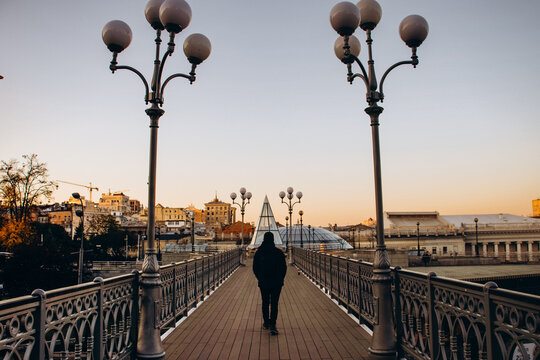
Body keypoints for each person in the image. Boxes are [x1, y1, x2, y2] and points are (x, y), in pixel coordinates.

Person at [253, 232, 287, 335]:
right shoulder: (278, 253)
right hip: (276, 282)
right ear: (273, 240)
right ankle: (273, 324)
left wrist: (260, 278)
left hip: (264, 282)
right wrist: (280, 278)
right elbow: (283, 268)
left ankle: (266, 323)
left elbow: (255, 268)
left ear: (264, 239)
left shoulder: (259, 252)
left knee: (265, 302)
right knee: (274, 303)